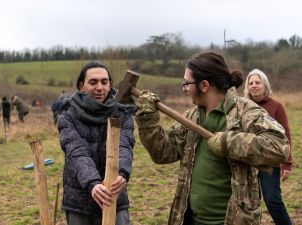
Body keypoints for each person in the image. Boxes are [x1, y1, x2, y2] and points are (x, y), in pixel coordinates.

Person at [135, 51, 290, 225]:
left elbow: (279, 147)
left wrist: (228, 143)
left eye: (186, 83)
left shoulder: (246, 111)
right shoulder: (191, 117)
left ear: (204, 85)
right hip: (190, 220)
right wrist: (147, 120)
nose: (184, 89)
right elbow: (162, 153)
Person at [57, 61, 135, 225]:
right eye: (93, 82)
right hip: (80, 198)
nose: (100, 87)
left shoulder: (122, 112)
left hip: (114, 193)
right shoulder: (68, 116)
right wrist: (93, 183)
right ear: (81, 85)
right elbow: (76, 151)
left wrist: (122, 172)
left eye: (104, 82)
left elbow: (125, 145)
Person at [244, 69, 292, 225]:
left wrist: (287, 163)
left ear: (264, 84)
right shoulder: (243, 107)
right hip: (247, 162)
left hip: (269, 163)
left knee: (272, 201)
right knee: (249, 204)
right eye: (250, 83)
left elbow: (286, 136)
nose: (254, 86)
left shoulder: (276, 106)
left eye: (257, 82)